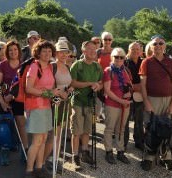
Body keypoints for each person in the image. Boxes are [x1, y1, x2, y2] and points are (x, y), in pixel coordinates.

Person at [139, 34, 172, 171]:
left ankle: (166, 157)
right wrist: (147, 102)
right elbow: (142, 85)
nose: (158, 46)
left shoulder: (171, 62)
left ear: (164, 46)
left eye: (161, 43)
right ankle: (149, 158)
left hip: (167, 100)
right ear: (151, 46)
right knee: (151, 129)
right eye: (155, 44)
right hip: (152, 99)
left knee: (166, 129)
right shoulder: (146, 62)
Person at [24, 40, 61, 177]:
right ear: (38, 53)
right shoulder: (34, 67)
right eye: (44, 51)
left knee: (44, 139)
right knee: (37, 141)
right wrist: (50, 94)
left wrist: (53, 97)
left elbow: (50, 88)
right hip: (35, 107)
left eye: (49, 51)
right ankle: (29, 171)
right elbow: (29, 89)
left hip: (46, 107)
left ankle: (39, 168)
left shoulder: (50, 67)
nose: (47, 53)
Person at [69, 41, 103, 171]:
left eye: (94, 49)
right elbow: (73, 83)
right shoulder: (77, 65)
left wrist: (97, 86)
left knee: (87, 130)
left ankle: (85, 153)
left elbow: (100, 82)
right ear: (83, 51)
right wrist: (90, 83)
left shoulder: (97, 66)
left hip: (90, 103)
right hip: (77, 102)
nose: (92, 51)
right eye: (89, 49)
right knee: (76, 131)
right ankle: (75, 156)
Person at [43, 40, 73, 172]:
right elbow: (49, 85)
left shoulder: (67, 67)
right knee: (52, 134)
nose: (63, 54)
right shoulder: (52, 66)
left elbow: (68, 85)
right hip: (54, 103)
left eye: (66, 52)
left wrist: (69, 91)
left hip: (64, 103)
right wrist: (61, 94)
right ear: (56, 53)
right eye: (61, 52)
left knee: (58, 133)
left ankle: (53, 160)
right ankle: (44, 161)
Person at [0, 40, 28, 155]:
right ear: (7, 52)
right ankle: (4, 150)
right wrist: (2, 101)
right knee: (4, 127)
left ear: (19, 51)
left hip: (19, 99)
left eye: (15, 49)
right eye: (10, 50)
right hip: (4, 99)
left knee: (21, 124)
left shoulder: (24, 65)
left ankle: (25, 149)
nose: (13, 52)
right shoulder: (2, 65)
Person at [103, 48, 132, 165]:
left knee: (121, 128)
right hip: (112, 104)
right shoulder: (108, 71)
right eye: (116, 57)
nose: (119, 59)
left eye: (121, 57)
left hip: (125, 105)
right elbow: (107, 90)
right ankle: (108, 151)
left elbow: (130, 85)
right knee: (110, 128)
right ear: (112, 57)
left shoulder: (126, 71)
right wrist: (121, 100)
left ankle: (120, 151)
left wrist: (130, 92)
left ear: (125, 58)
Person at [123, 41, 145, 151]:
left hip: (140, 96)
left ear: (141, 51)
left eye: (138, 49)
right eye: (133, 49)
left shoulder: (144, 62)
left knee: (139, 120)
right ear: (128, 51)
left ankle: (139, 141)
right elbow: (123, 81)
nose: (135, 51)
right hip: (127, 97)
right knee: (125, 121)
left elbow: (147, 79)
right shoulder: (124, 63)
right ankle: (123, 143)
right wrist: (137, 86)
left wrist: (141, 86)